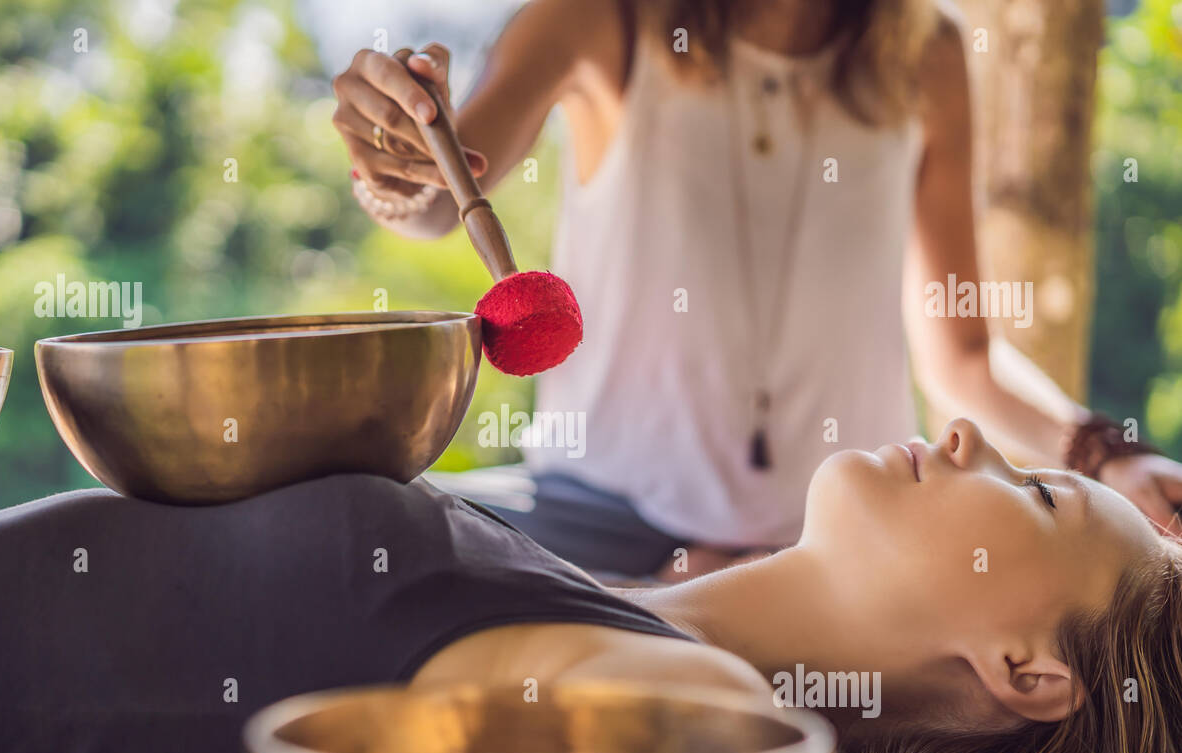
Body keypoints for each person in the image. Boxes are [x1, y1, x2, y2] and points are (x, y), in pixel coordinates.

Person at [0, 417, 1179, 753]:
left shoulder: (693, 730)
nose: (965, 437)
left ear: (1032, 673)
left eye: (1035, 491)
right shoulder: (600, 589)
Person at [332, 0, 1182, 578]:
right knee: (357, 542)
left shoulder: (927, 52)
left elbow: (963, 356)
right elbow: (439, 197)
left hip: (842, 559)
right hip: (596, 529)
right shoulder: (601, 19)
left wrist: (1109, 455)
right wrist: (394, 154)